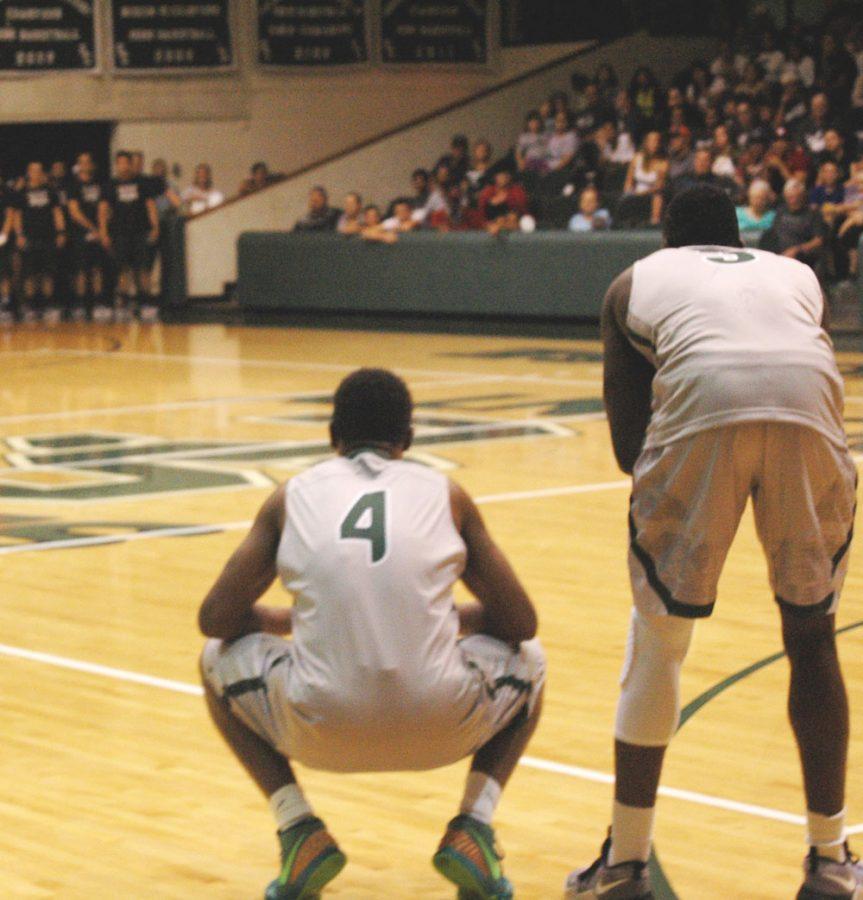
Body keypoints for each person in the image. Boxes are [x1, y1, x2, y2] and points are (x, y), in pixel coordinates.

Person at [565, 184, 861, 900]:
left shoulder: (634, 282)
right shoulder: (794, 274)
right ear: (740, 235)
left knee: (658, 639)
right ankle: (831, 859)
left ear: (667, 238)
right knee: (811, 635)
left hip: (699, 404)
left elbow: (626, 444)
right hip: (810, 413)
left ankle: (625, 864)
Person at [198, 368, 545, 900]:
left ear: (332, 436)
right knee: (531, 659)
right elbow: (521, 623)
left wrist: (290, 620)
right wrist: (444, 617)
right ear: (407, 438)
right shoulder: (448, 496)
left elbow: (216, 620)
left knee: (213, 659)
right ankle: (474, 823)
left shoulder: (291, 498)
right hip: (443, 722)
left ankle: (297, 828)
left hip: (318, 725)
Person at [100, 150, 160, 323]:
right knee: (123, 269)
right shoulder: (110, 185)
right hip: (119, 233)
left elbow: (150, 206)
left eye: (126, 162)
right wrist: (103, 231)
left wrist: (155, 226)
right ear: (117, 165)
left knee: (143, 269)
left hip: (140, 232)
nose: (123, 166)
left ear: (130, 164)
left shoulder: (141, 183)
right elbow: (103, 209)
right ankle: (124, 304)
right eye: (120, 163)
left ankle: (146, 303)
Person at [14, 161, 66, 324]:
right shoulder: (22, 192)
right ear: (28, 172)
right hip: (29, 237)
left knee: (47, 272)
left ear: (42, 173)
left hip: (48, 236)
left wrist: (61, 232)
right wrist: (19, 234)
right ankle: (31, 306)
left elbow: (57, 212)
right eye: (32, 170)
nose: (35, 173)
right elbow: (17, 215)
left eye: (39, 170)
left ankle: (48, 305)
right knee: (30, 273)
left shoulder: (50, 191)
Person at [66, 152, 108, 321]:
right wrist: (92, 228)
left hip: (100, 231)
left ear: (92, 165)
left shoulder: (100, 184)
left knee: (97, 269)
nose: (85, 165)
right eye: (81, 162)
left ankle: (98, 304)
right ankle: (81, 305)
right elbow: (74, 212)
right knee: (81, 269)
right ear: (78, 165)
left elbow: (105, 207)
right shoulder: (73, 186)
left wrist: (102, 229)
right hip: (80, 233)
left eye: (87, 161)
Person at [761, 178, 827, 273]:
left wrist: (797, 250)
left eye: (795, 197)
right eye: (789, 197)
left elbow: (818, 241)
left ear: (802, 196)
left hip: (801, 257)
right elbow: (774, 233)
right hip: (778, 255)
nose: (792, 200)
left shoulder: (813, 214)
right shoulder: (781, 211)